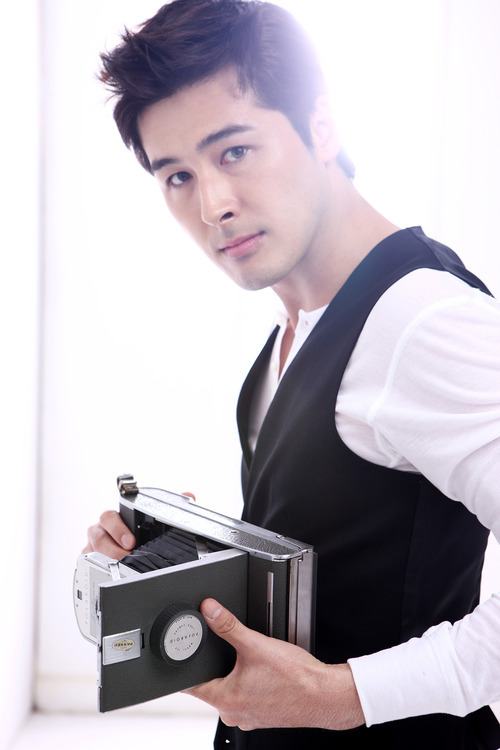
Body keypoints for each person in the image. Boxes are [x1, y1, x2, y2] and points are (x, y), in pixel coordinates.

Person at [83, 1, 500, 747]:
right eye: (177, 175)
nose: (213, 205)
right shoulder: (298, 321)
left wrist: (342, 697)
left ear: (322, 125)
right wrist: (173, 562)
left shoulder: (421, 321)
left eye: (235, 151)